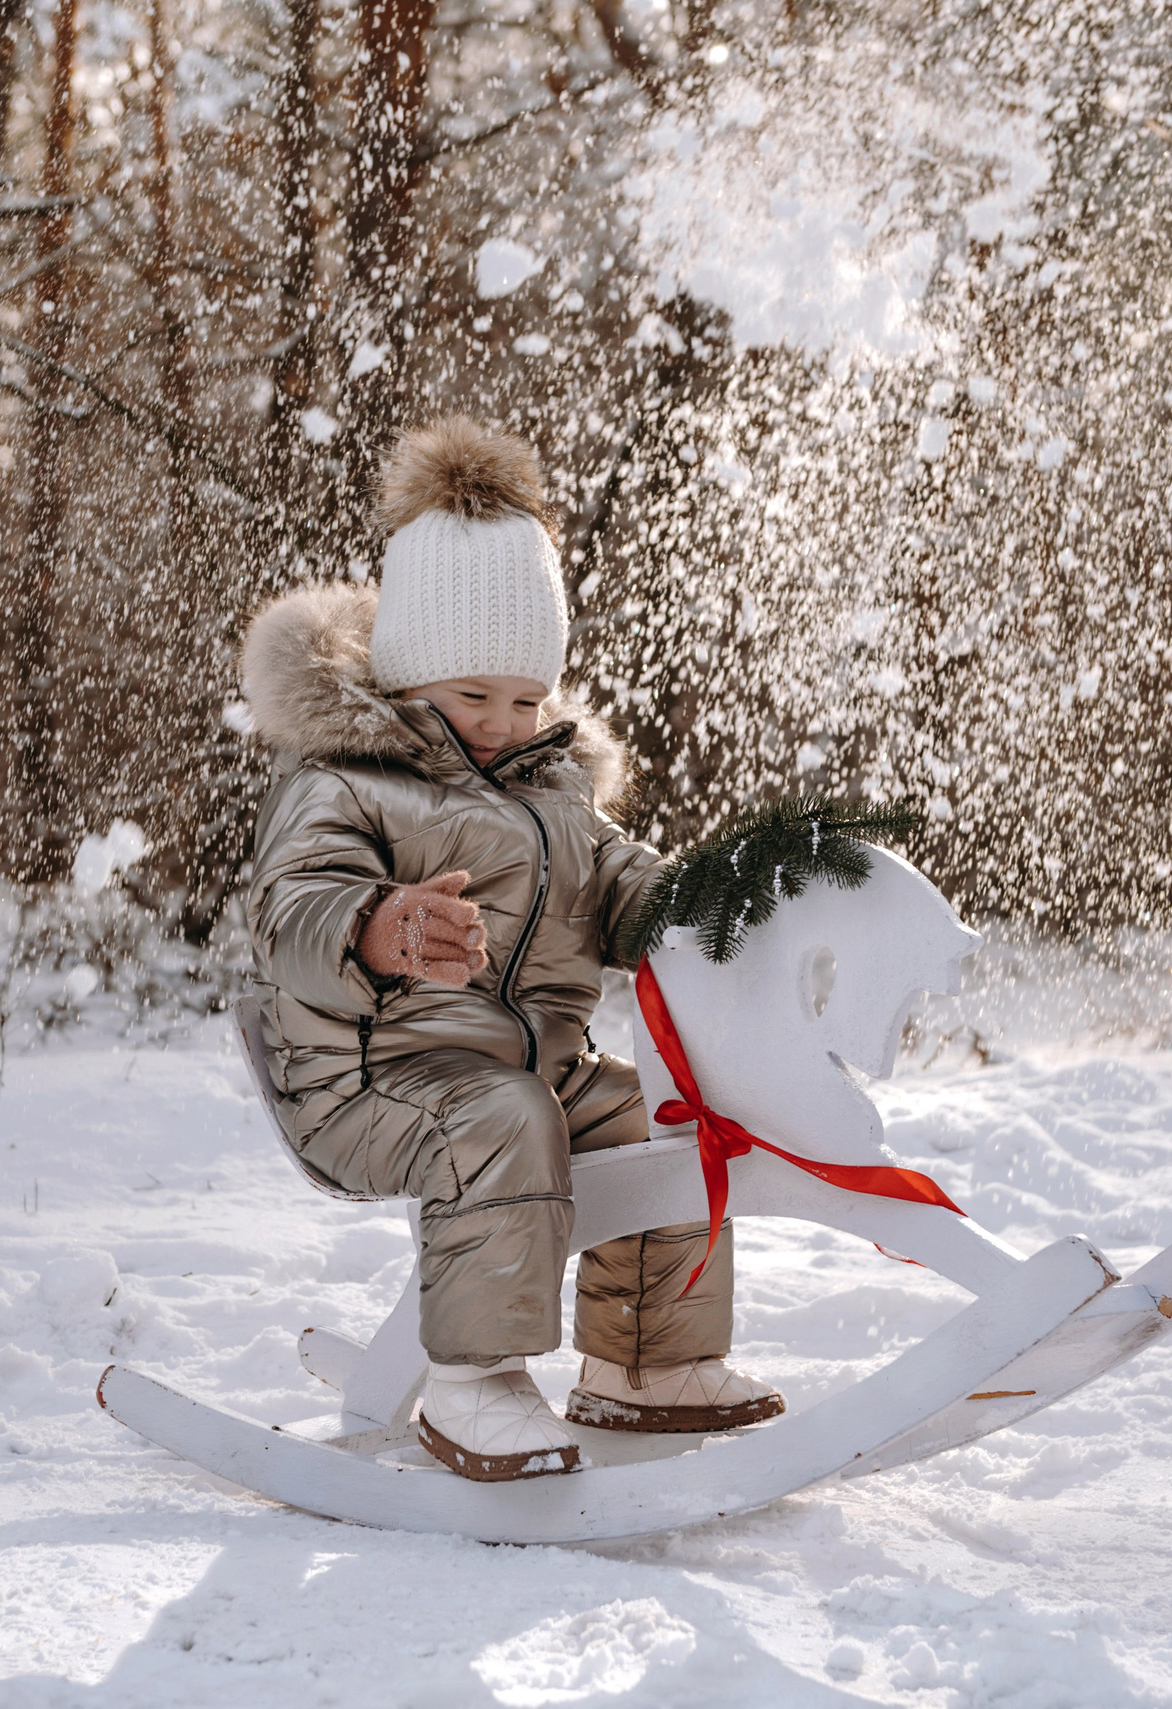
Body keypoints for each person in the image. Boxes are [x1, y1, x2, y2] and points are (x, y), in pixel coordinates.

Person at [239, 417, 784, 1482]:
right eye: (471, 694)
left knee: (664, 1112)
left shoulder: (555, 789)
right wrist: (379, 925)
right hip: (371, 1076)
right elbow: (291, 907)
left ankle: (644, 1361)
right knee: (503, 1115)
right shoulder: (346, 779)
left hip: (533, 1069)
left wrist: (698, 904)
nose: (502, 720)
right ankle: (475, 1378)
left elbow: (622, 882)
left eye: (527, 697)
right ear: (406, 675)